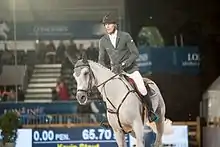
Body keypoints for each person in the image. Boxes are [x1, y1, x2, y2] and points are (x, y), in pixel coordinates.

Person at [98, 13, 159, 122]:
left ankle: (150, 112)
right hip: (115, 72)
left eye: (109, 24)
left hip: (130, 69)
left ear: (115, 25)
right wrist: (105, 72)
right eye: (105, 24)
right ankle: (108, 119)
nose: (107, 26)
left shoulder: (125, 36)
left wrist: (124, 64)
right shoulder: (103, 41)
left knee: (141, 87)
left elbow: (135, 53)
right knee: (106, 92)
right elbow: (101, 60)